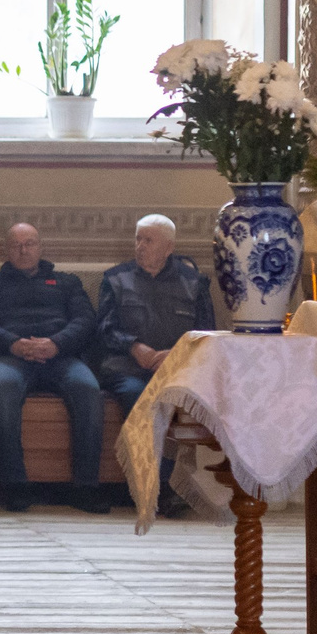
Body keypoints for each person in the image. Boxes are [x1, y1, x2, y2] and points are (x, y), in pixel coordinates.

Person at [0, 222, 103, 513]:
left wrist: (56, 343)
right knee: (2, 388)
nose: (23, 250)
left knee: (89, 389)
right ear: (6, 249)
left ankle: (86, 487)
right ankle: (14, 485)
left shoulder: (67, 282)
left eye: (29, 244)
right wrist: (12, 343)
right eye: (16, 245)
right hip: (10, 358)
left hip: (61, 357)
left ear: (41, 247)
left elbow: (86, 321)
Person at [95, 214, 220, 518]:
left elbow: (207, 333)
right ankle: (155, 488)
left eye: (148, 240)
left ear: (169, 248)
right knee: (142, 398)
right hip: (126, 368)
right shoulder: (115, 279)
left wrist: (177, 353)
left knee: (178, 398)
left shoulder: (194, 283)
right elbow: (104, 329)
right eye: (138, 239)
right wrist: (133, 346)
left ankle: (172, 487)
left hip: (178, 369)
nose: (140, 246)